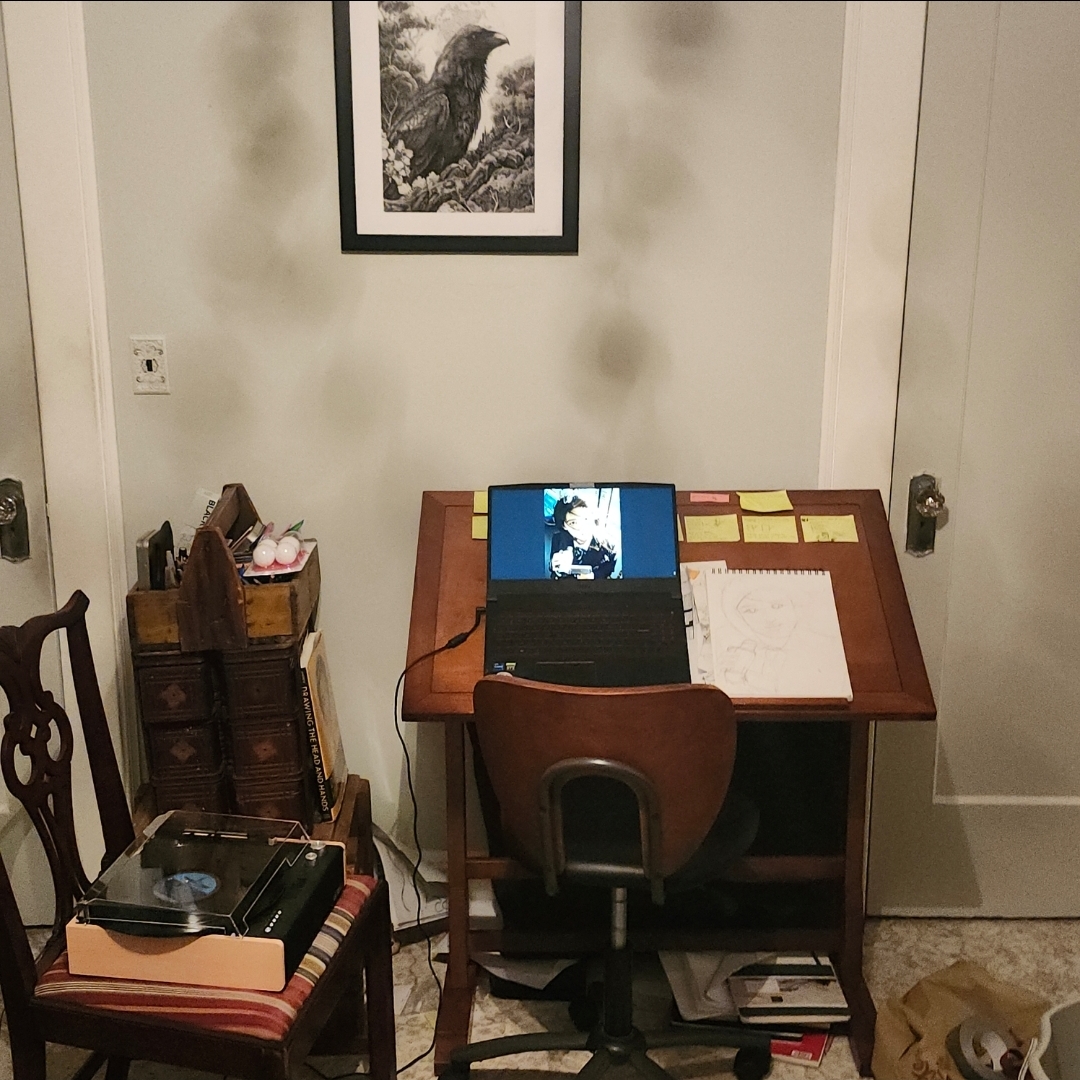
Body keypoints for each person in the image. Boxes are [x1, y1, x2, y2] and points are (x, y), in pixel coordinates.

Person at [549, 496, 617, 579]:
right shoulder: (558, 539)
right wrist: (556, 568)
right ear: (564, 526)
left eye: (586, 519)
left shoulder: (609, 546)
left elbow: (608, 570)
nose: (583, 527)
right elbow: (553, 573)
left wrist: (593, 577)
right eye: (573, 522)